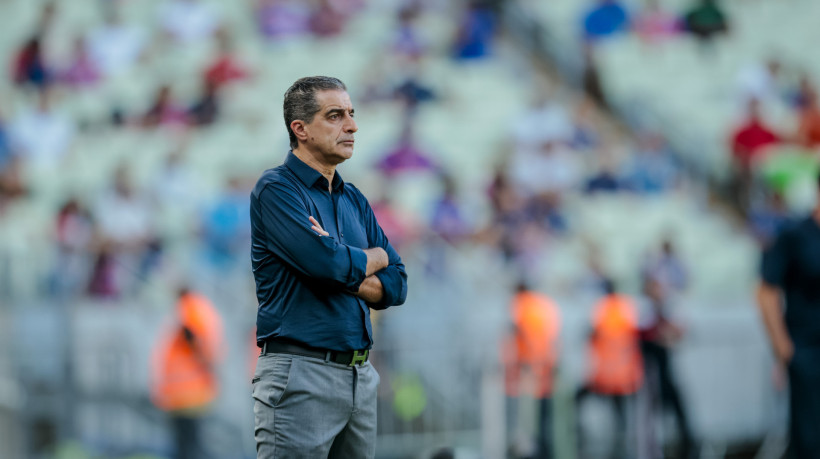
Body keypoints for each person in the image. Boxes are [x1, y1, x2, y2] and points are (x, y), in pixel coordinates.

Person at [250, 76, 408, 458]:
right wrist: (368, 259)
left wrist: (340, 261)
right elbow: (328, 265)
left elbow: (398, 283)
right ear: (300, 129)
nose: (351, 125)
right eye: (335, 115)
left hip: (359, 375)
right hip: (300, 375)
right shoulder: (277, 189)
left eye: (351, 114)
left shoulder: (353, 197)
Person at [758, 172, 820, 459]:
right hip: (807, 349)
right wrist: (782, 347)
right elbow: (766, 292)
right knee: (809, 437)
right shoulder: (795, 235)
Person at [151, 288, 224, 459]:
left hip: (186, 392)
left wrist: (205, 364)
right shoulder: (203, 308)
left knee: (186, 445)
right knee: (190, 443)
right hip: (193, 390)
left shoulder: (188, 307)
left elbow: (192, 335)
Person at [502, 282, 561, 459]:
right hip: (545, 370)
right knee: (544, 421)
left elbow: (520, 335)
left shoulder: (521, 305)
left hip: (526, 372)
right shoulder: (546, 305)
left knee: (525, 423)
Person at [639, 278, 694, 458]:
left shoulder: (664, 310)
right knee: (651, 418)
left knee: (678, 413)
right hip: (651, 375)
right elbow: (648, 335)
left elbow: (676, 331)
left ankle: (687, 448)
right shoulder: (644, 311)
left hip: (665, 374)